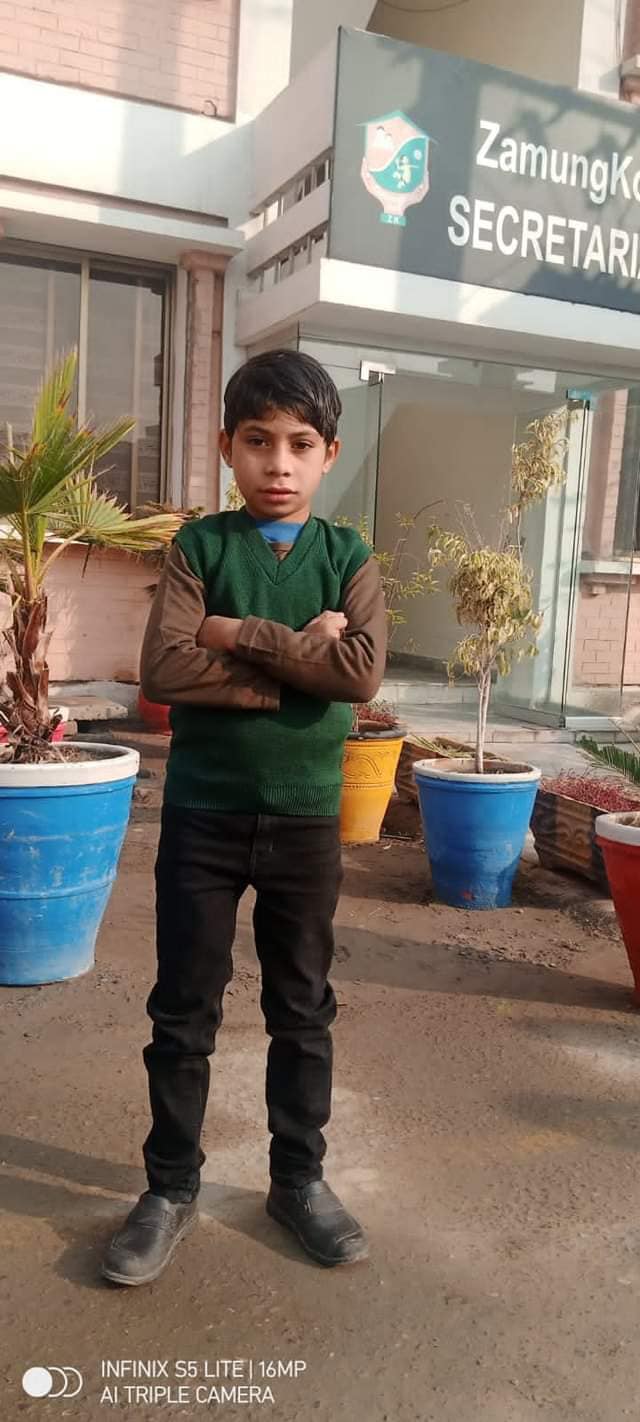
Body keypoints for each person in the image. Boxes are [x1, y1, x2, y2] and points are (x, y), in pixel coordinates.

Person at [101, 349, 387, 1286]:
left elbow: (359, 676)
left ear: (329, 454)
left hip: (306, 824)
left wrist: (232, 633)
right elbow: (165, 669)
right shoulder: (199, 549)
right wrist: (297, 658)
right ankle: (169, 1188)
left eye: (301, 444)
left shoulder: (349, 557)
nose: (279, 463)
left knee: (301, 1009)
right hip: (204, 817)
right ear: (228, 446)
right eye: (259, 441)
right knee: (183, 1008)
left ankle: (298, 1182)